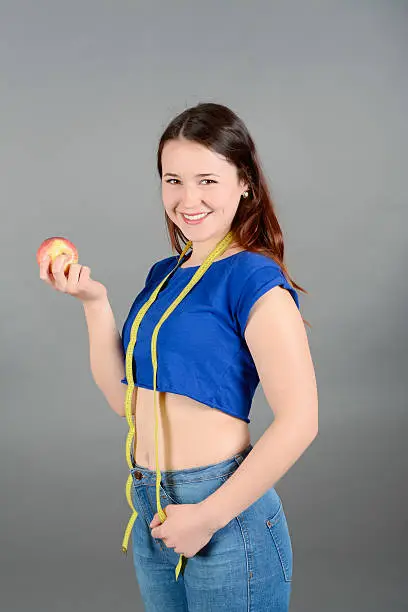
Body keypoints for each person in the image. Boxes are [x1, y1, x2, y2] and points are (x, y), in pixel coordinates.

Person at [39, 102, 318, 611]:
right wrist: (94, 304)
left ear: (245, 183)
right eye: (174, 180)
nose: (188, 199)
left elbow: (300, 421)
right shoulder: (163, 276)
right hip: (154, 507)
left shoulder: (255, 280)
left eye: (208, 180)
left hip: (224, 512)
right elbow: (120, 397)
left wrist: (208, 515)